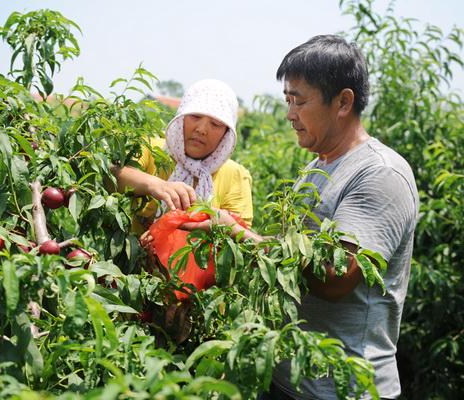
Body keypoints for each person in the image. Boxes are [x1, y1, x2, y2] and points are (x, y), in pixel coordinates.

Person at [183, 35, 419, 399]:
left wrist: (238, 235)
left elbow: (337, 277)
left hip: (344, 387)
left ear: (343, 102)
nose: (290, 114)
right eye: (287, 100)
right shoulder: (316, 167)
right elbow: (287, 259)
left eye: (300, 101)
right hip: (290, 379)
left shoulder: (379, 174)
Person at [113, 78, 253, 233]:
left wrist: (214, 229)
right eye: (195, 116)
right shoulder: (150, 149)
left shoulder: (235, 175)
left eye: (215, 124)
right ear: (181, 117)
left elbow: (241, 238)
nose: (201, 129)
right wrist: (155, 185)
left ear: (226, 134)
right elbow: (112, 176)